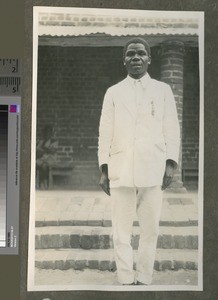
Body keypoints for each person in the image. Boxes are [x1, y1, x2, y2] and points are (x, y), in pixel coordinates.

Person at [98, 38, 180, 285]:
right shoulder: (113, 92)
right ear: (124, 60)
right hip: (120, 168)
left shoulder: (162, 90)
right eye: (131, 54)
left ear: (149, 59)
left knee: (150, 228)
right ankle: (124, 277)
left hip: (153, 166)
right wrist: (104, 168)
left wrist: (170, 163)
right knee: (121, 230)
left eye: (141, 53)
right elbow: (105, 131)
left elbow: (172, 129)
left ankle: (144, 276)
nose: (136, 57)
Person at [36, 125, 58, 189]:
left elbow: (53, 151)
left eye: (49, 132)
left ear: (51, 133)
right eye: (46, 132)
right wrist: (45, 150)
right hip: (42, 159)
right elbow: (37, 152)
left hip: (51, 159)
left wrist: (43, 150)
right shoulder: (41, 142)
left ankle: (44, 182)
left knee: (44, 165)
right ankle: (40, 183)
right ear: (44, 133)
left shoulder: (54, 141)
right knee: (39, 164)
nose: (47, 134)